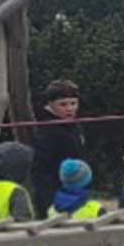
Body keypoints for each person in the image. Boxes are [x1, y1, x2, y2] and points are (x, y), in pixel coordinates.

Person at [31, 78, 85, 219]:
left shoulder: (74, 126)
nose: (69, 108)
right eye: (63, 104)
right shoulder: (47, 132)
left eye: (73, 103)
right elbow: (40, 173)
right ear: (50, 104)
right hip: (54, 198)